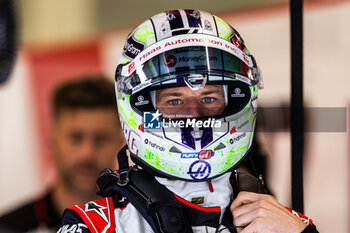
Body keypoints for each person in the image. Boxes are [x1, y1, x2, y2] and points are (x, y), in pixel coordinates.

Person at [58, 10, 319, 233]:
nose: (194, 115)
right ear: (140, 105)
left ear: (236, 101)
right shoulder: (92, 225)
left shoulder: (286, 224)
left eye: (208, 98)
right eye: (174, 101)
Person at [0, 77, 124, 232]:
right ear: (52, 139)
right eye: (75, 138)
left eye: (101, 139)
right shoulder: (8, 228)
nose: (87, 153)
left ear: (120, 144)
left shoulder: (143, 224)